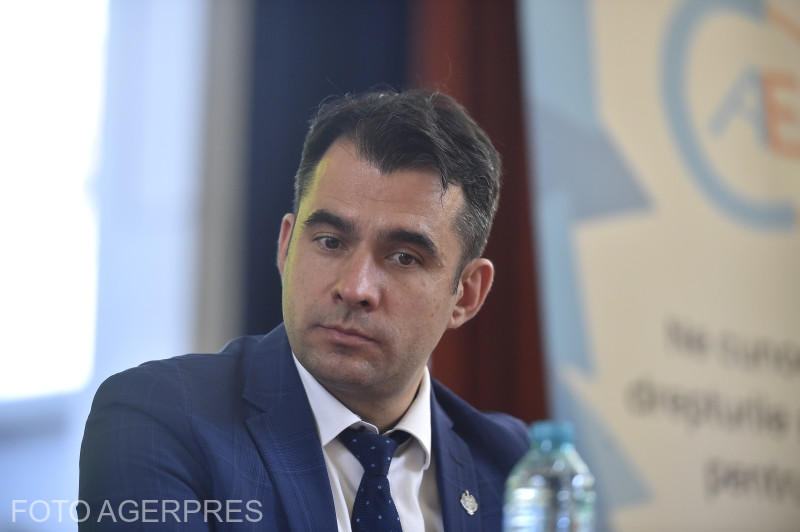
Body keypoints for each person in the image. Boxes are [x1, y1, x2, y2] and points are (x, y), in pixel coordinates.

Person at [79, 89, 529, 531]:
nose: (355, 289)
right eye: (330, 242)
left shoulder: (510, 465)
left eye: (404, 258)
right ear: (286, 247)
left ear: (466, 295)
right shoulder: (160, 419)